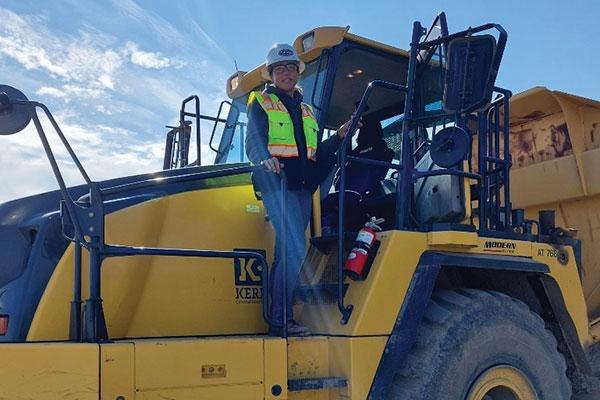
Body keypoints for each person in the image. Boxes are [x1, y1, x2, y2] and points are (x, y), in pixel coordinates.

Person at [245, 43, 355, 336]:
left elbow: (314, 152)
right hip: (278, 186)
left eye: (291, 68)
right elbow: (254, 139)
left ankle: (282, 316)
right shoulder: (262, 103)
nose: (286, 73)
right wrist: (263, 158)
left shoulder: (307, 111)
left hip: (304, 190)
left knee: (295, 250)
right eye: (279, 69)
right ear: (270, 75)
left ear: (297, 73)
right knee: (292, 249)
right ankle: (280, 320)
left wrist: (338, 138)